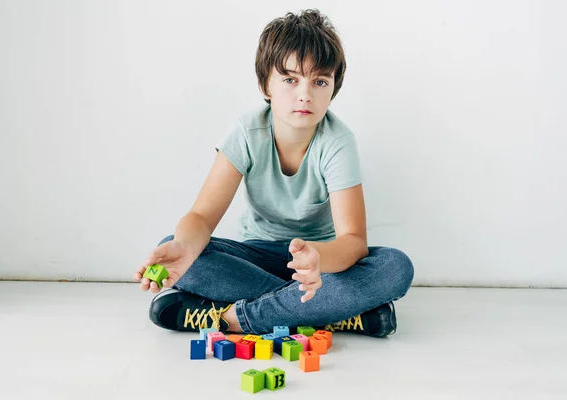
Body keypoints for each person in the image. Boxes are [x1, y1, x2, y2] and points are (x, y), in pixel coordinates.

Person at [133, 9, 414, 338]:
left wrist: (316, 257)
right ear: (265, 83)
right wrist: (185, 245)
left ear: (333, 88)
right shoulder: (247, 132)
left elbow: (353, 243)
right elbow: (202, 216)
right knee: (178, 246)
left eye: (320, 81)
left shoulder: (338, 142)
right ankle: (333, 312)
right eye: (290, 79)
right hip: (257, 255)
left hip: (319, 262)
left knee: (395, 266)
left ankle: (241, 317)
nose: (305, 94)